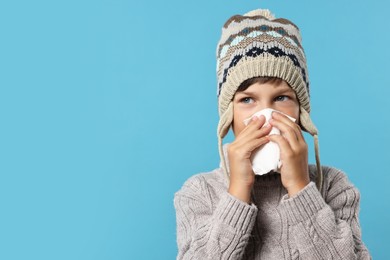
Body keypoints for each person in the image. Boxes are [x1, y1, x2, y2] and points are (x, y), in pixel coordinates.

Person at [174, 9, 371, 259]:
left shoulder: (333, 186)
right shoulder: (199, 192)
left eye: (280, 98)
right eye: (247, 100)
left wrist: (301, 189)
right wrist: (237, 190)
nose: (265, 114)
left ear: (302, 113)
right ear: (227, 117)